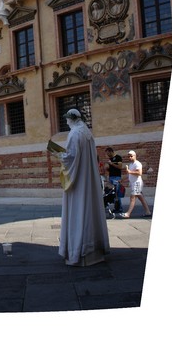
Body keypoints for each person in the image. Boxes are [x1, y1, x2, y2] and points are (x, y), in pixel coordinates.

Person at [56, 109, 111, 266]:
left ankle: (77, 252)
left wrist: (58, 154)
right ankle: (95, 252)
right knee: (90, 210)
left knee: (78, 211)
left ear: (72, 119)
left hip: (78, 181)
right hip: (89, 179)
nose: (66, 122)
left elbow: (71, 157)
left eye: (67, 119)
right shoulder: (87, 133)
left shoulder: (74, 134)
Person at [120, 150, 153, 219]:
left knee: (132, 197)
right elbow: (130, 174)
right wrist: (123, 179)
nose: (130, 157)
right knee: (141, 198)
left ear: (135, 156)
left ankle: (128, 213)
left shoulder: (137, 163)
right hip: (133, 183)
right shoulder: (131, 164)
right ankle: (148, 212)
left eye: (131, 156)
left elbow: (139, 173)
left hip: (137, 183)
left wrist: (129, 171)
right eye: (129, 156)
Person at [103, 147, 124, 215]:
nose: (107, 155)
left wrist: (111, 164)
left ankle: (119, 208)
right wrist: (107, 168)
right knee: (112, 193)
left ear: (110, 151)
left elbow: (120, 167)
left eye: (107, 153)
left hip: (116, 177)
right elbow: (112, 169)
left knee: (117, 193)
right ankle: (116, 208)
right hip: (111, 177)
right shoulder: (110, 159)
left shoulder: (118, 157)